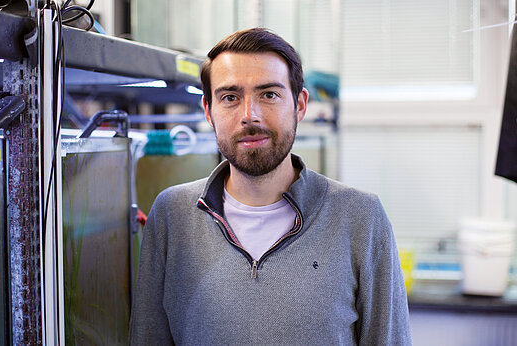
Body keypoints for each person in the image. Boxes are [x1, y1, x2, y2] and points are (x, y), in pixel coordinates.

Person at [129, 27, 412, 345]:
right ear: (209, 111)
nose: (250, 116)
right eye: (231, 98)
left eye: (269, 94)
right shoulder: (171, 214)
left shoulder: (361, 217)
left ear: (300, 105)